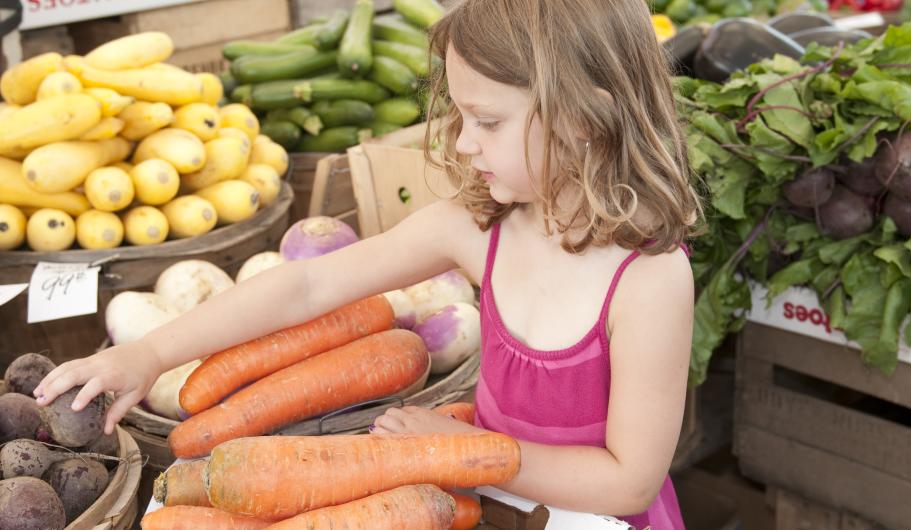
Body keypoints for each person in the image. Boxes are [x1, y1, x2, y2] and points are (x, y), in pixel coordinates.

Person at [34, 0, 701, 527]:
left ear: (585, 118)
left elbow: (628, 478)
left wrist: (447, 448)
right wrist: (147, 355)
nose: (464, 143)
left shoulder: (648, 279)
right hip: (488, 499)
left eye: (488, 121)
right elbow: (307, 283)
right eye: (462, 117)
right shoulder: (479, 227)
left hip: (593, 520)